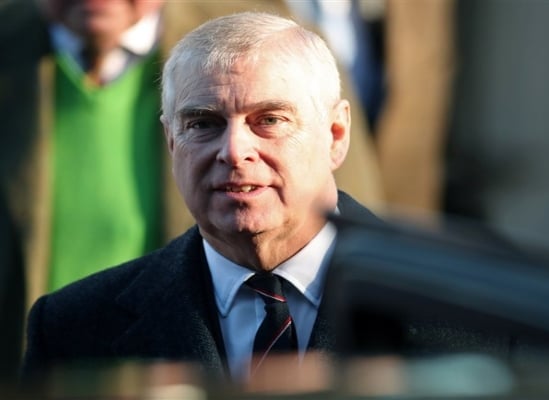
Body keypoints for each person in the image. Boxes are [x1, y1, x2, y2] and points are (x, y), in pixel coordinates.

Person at [21, 11, 382, 389]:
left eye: (269, 120)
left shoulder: (424, 300)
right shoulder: (72, 329)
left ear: (336, 135)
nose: (234, 151)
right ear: (171, 141)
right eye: (203, 124)